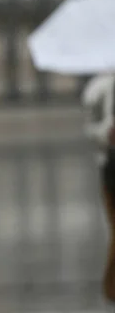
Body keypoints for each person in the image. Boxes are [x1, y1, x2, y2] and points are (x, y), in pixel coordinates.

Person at [82, 73, 115, 302]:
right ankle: (111, 289)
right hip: (111, 169)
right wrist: (106, 133)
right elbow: (91, 128)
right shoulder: (99, 89)